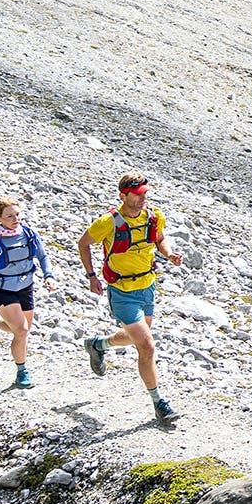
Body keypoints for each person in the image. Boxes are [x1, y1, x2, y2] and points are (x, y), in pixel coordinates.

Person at [79, 173, 184, 423]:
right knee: (146, 346)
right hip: (123, 292)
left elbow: (159, 239)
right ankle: (159, 404)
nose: (142, 199)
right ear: (123, 195)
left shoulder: (154, 215)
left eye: (144, 194)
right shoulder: (107, 222)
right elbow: (83, 244)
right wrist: (92, 276)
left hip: (148, 286)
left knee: (136, 338)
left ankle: (97, 345)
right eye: (137, 195)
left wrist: (168, 254)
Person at [0, 197, 55, 388]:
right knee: (21, 330)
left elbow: (42, 255)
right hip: (2, 290)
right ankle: (21, 372)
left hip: (26, 287)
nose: (15, 219)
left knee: (22, 331)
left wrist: (49, 276)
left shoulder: (29, 234)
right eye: (9, 216)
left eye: (17, 214)